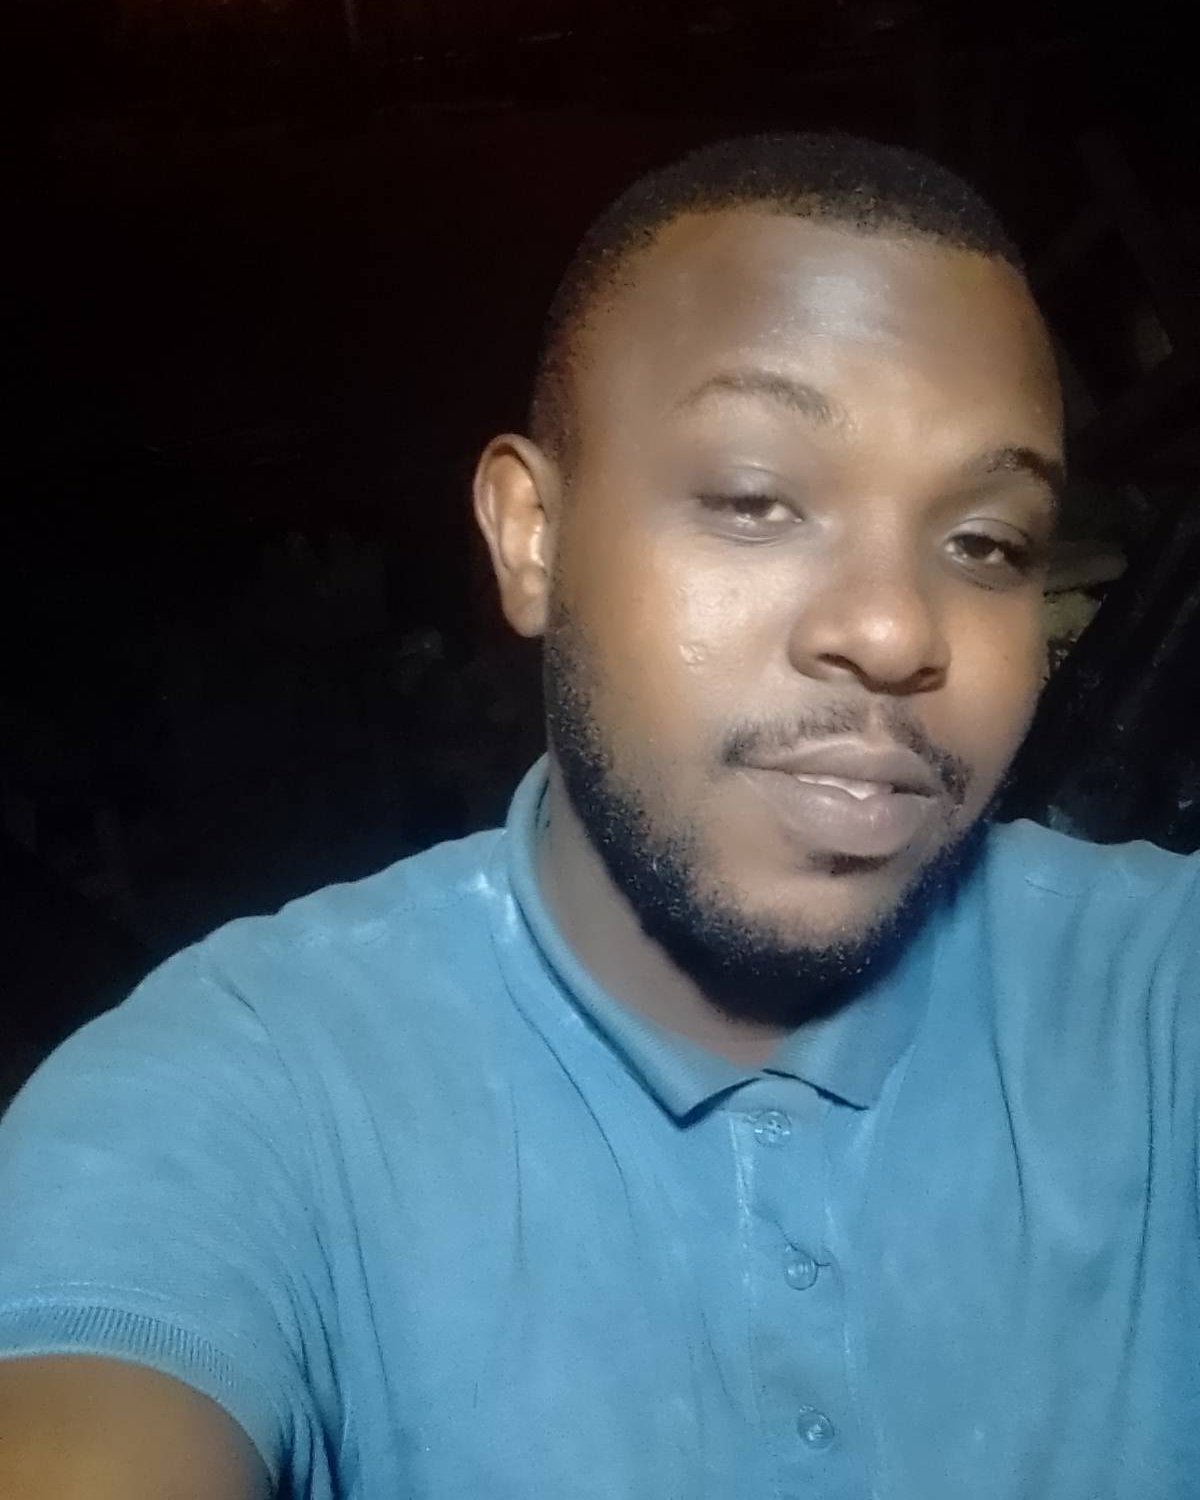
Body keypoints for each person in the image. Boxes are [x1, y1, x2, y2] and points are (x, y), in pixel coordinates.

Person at [1, 132, 1196, 1499]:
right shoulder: (248, 1088)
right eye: (755, 500)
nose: (892, 629)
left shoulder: (1157, 1001)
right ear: (532, 537)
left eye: (986, 542)